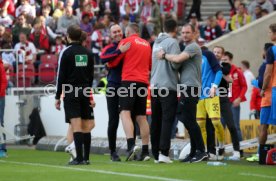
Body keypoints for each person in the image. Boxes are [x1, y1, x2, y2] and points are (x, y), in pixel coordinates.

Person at [158, 24, 208, 163]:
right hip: (187, 87)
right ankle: (194, 152)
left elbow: (178, 60)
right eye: (183, 32)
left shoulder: (193, 47)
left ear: (194, 33)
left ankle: (201, 151)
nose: (185, 35)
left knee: (185, 117)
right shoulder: (186, 48)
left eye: (187, 32)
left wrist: (164, 55)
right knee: (188, 118)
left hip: (191, 87)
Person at [55, 25, 95, 165]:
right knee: (86, 126)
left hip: (71, 91)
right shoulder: (88, 53)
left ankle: (78, 158)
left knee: (76, 126)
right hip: (84, 90)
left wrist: (57, 96)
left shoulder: (66, 52)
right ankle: (86, 158)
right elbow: (91, 76)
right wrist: (88, 92)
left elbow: (61, 76)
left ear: (68, 36)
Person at [111, 23, 151, 161]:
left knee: (124, 113)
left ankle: (131, 145)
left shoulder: (126, 41)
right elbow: (150, 65)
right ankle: (145, 151)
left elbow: (114, 62)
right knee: (141, 117)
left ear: (128, 31)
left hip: (129, 81)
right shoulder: (147, 44)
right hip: (143, 82)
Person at [151, 19, 180, 163]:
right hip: (168, 85)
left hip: (155, 86)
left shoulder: (156, 43)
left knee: (155, 120)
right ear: (175, 28)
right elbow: (175, 64)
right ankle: (164, 153)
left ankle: (156, 154)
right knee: (167, 120)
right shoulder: (172, 42)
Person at [100, 24, 130, 161]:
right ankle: (113, 152)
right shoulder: (110, 48)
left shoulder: (130, 45)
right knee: (114, 120)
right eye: (114, 32)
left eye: (119, 31)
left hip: (128, 86)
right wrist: (120, 51)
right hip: (112, 86)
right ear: (111, 35)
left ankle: (131, 149)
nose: (117, 33)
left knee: (131, 117)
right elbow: (103, 58)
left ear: (122, 32)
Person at [210, 46, 241, 160]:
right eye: (214, 52)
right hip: (211, 98)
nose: (216, 54)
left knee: (231, 125)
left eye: (219, 52)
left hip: (223, 99)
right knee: (214, 126)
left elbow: (228, 75)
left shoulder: (225, 66)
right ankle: (217, 151)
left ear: (222, 55)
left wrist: (219, 71)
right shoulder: (209, 65)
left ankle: (236, 150)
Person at [222, 51, 247, 157]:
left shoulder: (238, 71)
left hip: (233, 103)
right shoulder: (220, 71)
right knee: (220, 126)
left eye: (225, 60)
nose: (223, 62)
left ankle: (239, 150)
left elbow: (244, 86)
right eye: (222, 60)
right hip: (223, 102)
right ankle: (220, 150)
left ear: (231, 60)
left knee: (235, 127)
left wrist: (239, 98)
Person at [259, 23, 276, 161]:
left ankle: (262, 156)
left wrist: (263, 88)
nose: (269, 34)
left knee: (264, 125)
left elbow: (268, 74)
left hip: (272, 92)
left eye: (270, 32)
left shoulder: (272, 50)